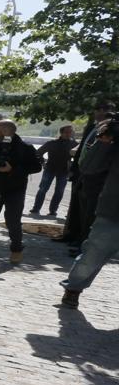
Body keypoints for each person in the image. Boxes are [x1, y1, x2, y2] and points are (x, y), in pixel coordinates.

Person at [60, 119, 117, 308]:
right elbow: (88, 167)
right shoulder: (113, 142)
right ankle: (73, 289)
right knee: (92, 254)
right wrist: (104, 141)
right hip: (113, 213)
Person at [0, 120, 40, 264]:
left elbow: (36, 167)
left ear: (5, 130)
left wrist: (12, 169)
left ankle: (16, 249)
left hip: (14, 190)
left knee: (13, 222)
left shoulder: (25, 148)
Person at [61, 100, 116, 249]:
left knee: (90, 211)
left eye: (103, 110)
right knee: (78, 207)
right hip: (82, 172)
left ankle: (82, 243)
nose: (98, 112)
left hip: (98, 176)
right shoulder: (92, 127)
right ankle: (73, 235)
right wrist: (74, 168)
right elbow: (82, 149)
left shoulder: (112, 131)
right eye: (97, 109)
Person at [30, 125, 76, 217]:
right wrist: (43, 163)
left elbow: (77, 158)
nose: (69, 134)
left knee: (59, 191)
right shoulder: (52, 143)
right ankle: (36, 208)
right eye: (67, 132)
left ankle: (53, 210)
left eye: (70, 132)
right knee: (43, 189)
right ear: (61, 133)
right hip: (50, 169)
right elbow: (38, 153)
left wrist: (72, 169)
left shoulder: (74, 144)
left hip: (64, 171)